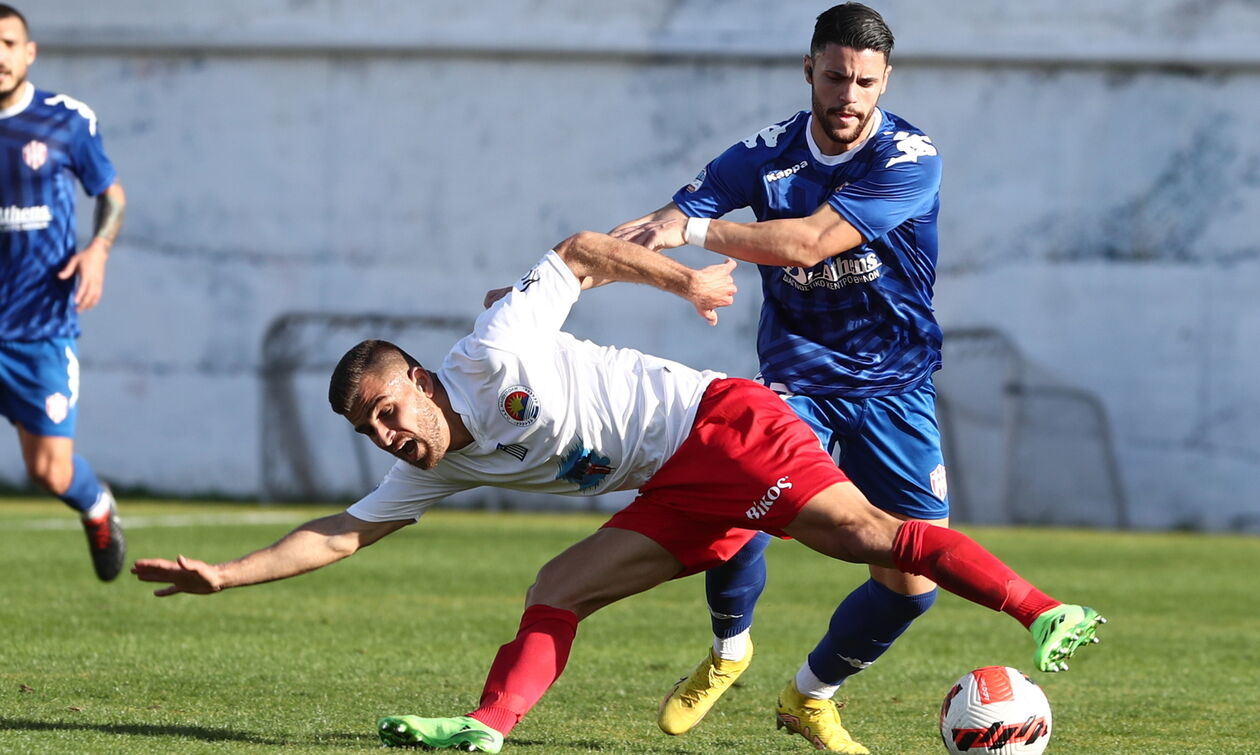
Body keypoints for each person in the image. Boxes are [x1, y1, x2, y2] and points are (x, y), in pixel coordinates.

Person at [133, 231, 1104, 754]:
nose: (388, 437)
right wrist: (223, 574)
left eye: (390, 410)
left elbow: (581, 252)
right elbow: (341, 532)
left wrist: (685, 283)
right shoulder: (438, 458)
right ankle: (484, 730)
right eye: (370, 430)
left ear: (423, 381)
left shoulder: (494, 348)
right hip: (671, 482)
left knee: (867, 537)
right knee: (559, 584)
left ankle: (1043, 607)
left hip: (723, 427)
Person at [604, 4, 953, 750]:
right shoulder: (763, 155)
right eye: (835, 77)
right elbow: (657, 225)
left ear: (886, 79)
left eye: (864, 81)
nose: (848, 96)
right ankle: (731, 648)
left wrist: (697, 232)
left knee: (913, 581)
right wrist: (557, 281)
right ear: (809, 71)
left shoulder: (909, 159)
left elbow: (805, 244)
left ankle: (810, 694)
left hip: (896, 390)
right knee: (738, 514)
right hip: (799, 380)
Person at [0, 4, 127, 581]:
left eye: (8, 43)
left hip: (38, 325)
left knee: (50, 472)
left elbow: (113, 195)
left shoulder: (65, 120)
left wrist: (97, 249)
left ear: (29, 52)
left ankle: (97, 505)